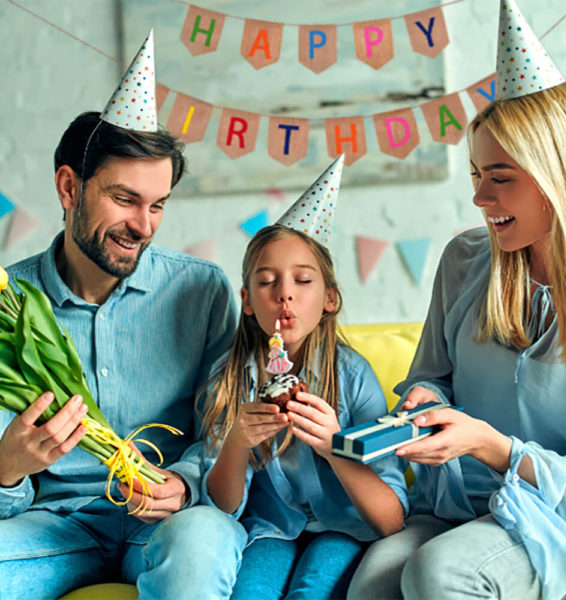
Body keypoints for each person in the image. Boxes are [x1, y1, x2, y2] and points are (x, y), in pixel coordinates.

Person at [348, 2, 566, 599]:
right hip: (461, 502)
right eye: (475, 176)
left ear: (559, 175)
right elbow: (433, 378)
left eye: (501, 176)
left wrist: (492, 446)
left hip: (558, 519)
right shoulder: (465, 260)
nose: (481, 198)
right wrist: (424, 400)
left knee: (443, 574)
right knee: (372, 584)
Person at [0, 32, 246, 600]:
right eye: (124, 199)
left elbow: (223, 429)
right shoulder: (9, 303)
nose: (143, 225)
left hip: (162, 522)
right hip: (52, 525)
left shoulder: (200, 290)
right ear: (69, 187)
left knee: (203, 541)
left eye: (157, 204)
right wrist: (7, 467)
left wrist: (184, 486)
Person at [199, 156, 408, 600]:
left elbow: (392, 519)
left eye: (303, 280)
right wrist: (237, 442)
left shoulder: (352, 377)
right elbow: (221, 508)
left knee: (310, 592)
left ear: (330, 297)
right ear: (248, 302)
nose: (285, 294)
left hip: (347, 527)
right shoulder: (231, 379)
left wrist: (337, 448)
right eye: (267, 281)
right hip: (271, 530)